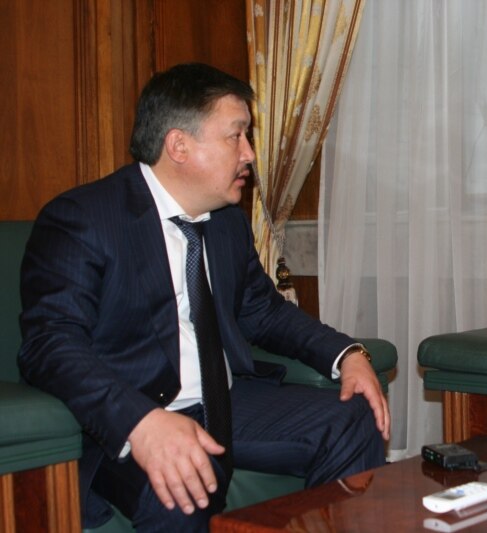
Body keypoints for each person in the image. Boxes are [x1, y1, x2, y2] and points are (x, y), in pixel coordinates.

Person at [17, 63, 390, 532]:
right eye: (236, 136)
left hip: (225, 403)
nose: (249, 153)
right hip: (132, 413)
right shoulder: (83, 219)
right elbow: (49, 345)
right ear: (179, 146)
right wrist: (140, 421)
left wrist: (346, 354)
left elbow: (263, 311)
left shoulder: (226, 220)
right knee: (183, 486)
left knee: (354, 417)